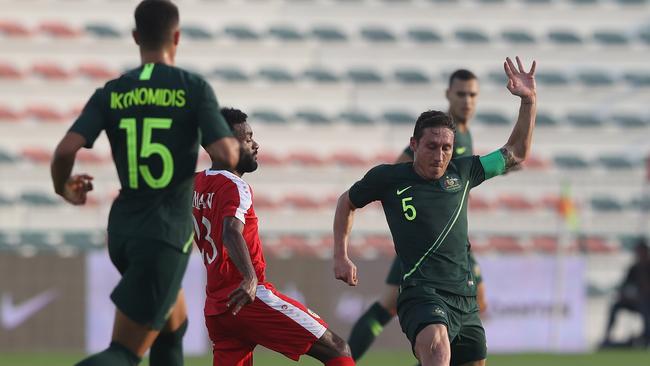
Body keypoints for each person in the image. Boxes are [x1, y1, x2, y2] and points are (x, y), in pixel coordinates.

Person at [50, 1, 239, 365]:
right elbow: (226, 156)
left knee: (173, 325)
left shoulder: (113, 92)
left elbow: (64, 152)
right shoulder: (193, 89)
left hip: (123, 232)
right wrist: (227, 140)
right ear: (177, 37)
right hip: (165, 233)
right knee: (124, 352)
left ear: (136, 37)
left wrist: (64, 187)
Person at [333, 57, 536, 366]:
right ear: (414, 144)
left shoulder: (465, 170)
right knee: (438, 351)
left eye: (446, 148)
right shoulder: (389, 178)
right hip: (421, 292)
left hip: (464, 299)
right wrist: (341, 255)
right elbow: (347, 201)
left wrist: (529, 101)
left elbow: (516, 153)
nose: (440, 155)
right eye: (431, 146)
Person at [193, 107, 355, 366]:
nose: (255, 145)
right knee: (338, 350)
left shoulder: (196, 184)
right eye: (246, 139)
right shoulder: (235, 185)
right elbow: (230, 231)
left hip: (217, 308)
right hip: (248, 298)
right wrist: (249, 277)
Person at [347, 70, 489, 362]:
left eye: (472, 94)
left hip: (443, 241)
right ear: (448, 95)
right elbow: (402, 169)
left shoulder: (462, 133)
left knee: (386, 307)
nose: (466, 101)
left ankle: (345, 359)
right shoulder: (446, 133)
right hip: (425, 246)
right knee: (396, 310)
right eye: (460, 94)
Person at [601, 238, 650, 347]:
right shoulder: (633, 268)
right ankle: (607, 337)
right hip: (634, 301)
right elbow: (625, 286)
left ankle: (646, 337)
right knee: (615, 306)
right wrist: (625, 295)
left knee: (645, 308)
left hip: (646, 302)